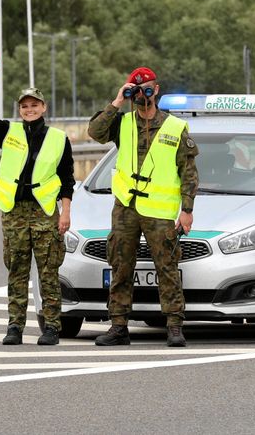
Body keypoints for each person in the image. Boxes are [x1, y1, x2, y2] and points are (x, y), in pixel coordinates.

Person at [87, 67, 198, 347]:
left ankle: (174, 325)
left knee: (167, 267)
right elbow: (95, 132)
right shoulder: (122, 123)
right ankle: (119, 325)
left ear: (156, 90)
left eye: (147, 89)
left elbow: (188, 172)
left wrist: (187, 209)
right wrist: (117, 101)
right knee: (120, 266)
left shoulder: (174, 127)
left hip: (160, 211)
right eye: (137, 90)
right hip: (126, 206)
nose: (142, 95)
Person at [0, 81, 75, 346]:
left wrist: (65, 212)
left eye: (34, 105)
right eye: (24, 106)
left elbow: (67, 178)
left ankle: (52, 327)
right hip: (15, 211)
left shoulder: (58, 138)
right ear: (20, 110)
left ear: (44, 107)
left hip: (44, 211)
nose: (29, 109)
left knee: (48, 271)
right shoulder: (9, 132)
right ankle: (15, 326)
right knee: (16, 269)